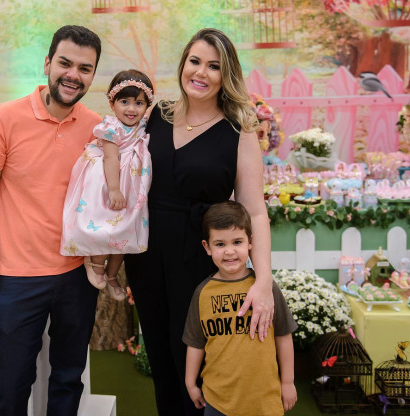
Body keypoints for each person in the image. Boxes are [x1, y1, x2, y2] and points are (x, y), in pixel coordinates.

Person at [124, 28, 275, 415]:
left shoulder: (238, 130)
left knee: (197, 357)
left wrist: (263, 280)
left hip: (201, 257)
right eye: (195, 61)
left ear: (227, 75)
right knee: (160, 353)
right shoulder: (157, 116)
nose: (201, 72)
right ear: (183, 64)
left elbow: (255, 210)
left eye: (213, 66)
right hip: (146, 254)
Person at [0, 25, 102, 415]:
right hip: (18, 277)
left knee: (68, 378)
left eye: (85, 68)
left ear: (93, 75)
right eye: (65, 63)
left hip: (77, 274)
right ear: (48, 63)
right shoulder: (4, 117)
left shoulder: (97, 127)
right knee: (10, 384)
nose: (73, 75)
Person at [184, 201, 297, 416]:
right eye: (220, 244)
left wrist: (288, 381)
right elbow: (195, 343)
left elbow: (283, 335)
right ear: (207, 247)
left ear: (250, 242)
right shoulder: (203, 293)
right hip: (218, 400)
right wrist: (190, 383)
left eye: (237, 242)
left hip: (264, 399)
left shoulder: (265, 288)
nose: (229, 251)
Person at [60, 69, 153, 301]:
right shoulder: (112, 127)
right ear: (112, 103)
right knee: (104, 227)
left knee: (123, 232)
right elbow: (111, 158)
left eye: (139, 103)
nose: (132, 109)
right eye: (124, 102)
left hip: (130, 187)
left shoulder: (142, 125)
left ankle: (112, 275)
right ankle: (96, 264)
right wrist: (114, 189)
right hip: (109, 183)